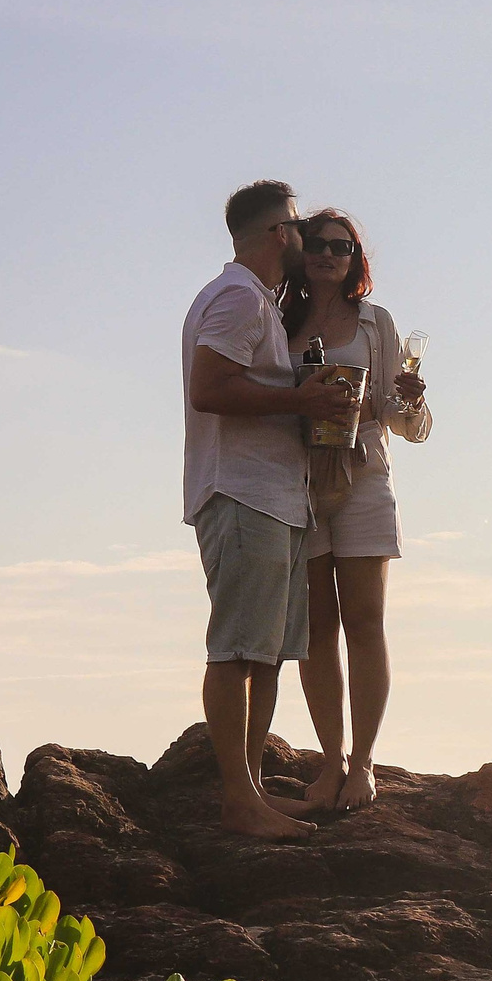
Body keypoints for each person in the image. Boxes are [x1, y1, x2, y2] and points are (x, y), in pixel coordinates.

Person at [183, 179, 359, 839]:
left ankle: (251, 791)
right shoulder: (234, 297)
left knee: (267, 653)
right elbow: (209, 388)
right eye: (295, 225)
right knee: (235, 651)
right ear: (275, 235)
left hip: (275, 497)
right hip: (241, 491)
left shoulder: (256, 300)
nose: (305, 235)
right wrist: (301, 399)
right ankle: (238, 800)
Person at [282, 209, 431, 810]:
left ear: (355, 257)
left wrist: (406, 403)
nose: (327, 255)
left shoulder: (376, 323)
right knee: (316, 628)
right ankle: (330, 764)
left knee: (364, 621)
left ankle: (364, 764)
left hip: (365, 475)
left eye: (340, 246)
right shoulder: (278, 317)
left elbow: (408, 422)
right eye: (315, 244)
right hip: (299, 477)